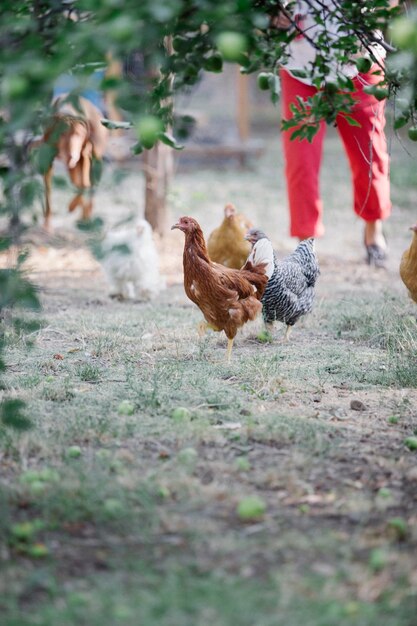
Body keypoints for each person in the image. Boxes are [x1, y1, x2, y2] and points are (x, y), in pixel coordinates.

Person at [273, 0, 399, 267]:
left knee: (369, 153)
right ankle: (306, 244)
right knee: (301, 160)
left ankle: (373, 231)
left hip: (360, 61)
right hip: (301, 64)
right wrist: (272, 12)